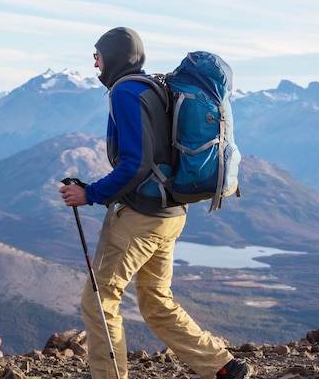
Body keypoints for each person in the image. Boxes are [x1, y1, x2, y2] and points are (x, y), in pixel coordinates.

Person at [59, 26, 253, 379]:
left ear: (115, 56)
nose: (95, 64)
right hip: (171, 214)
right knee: (155, 299)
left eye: (97, 56)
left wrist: (90, 194)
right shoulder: (154, 87)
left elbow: (136, 162)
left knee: (99, 301)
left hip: (142, 218)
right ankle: (222, 367)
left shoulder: (126, 93)